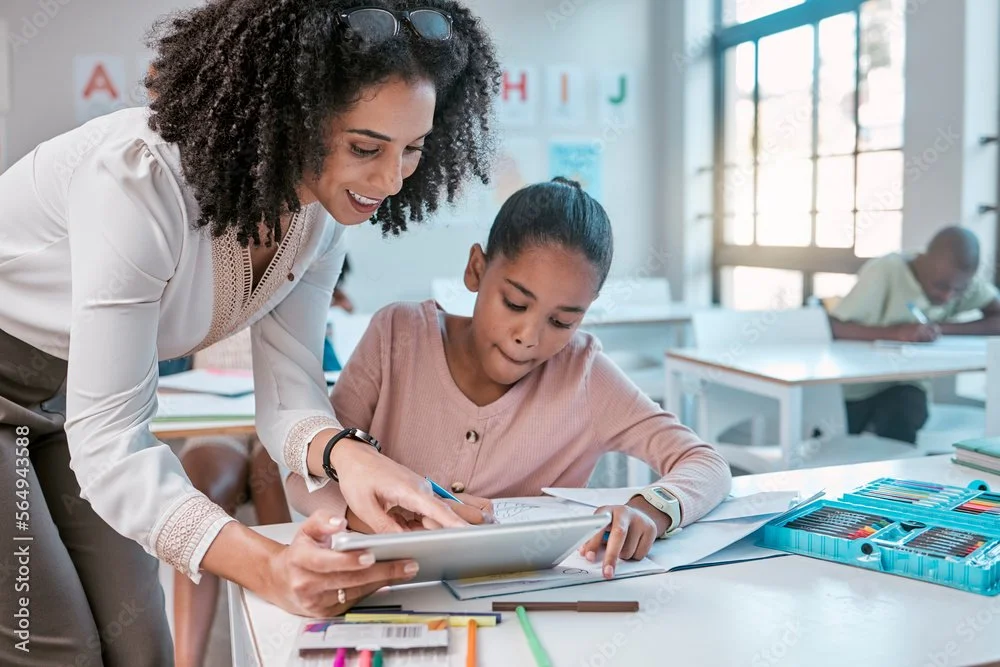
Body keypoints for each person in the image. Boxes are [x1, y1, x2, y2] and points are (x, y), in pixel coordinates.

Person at [0, 1, 501, 664]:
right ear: (294, 117)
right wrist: (267, 565)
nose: (388, 180)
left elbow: (291, 395)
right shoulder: (138, 180)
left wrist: (357, 459)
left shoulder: (318, 218)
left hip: (65, 400)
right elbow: (113, 448)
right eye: (364, 147)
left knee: (141, 643)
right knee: (55, 644)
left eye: (412, 149)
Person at [287, 179, 732, 578]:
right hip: (386, 584)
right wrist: (372, 518)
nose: (528, 338)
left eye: (561, 322)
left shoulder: (584, 374)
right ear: (477, 269)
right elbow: (304, 471)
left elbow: (705, 463)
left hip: (521, 600)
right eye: (516, 304)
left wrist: (651, 510)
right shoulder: (396, 335)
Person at [829, 226, 1000, 443]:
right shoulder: (886, 270)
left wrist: (939, 327)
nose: (948, 296)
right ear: (923, 261)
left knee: (902, 415)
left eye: (959, 290)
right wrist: (896, 333)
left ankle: (897, 475)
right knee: (842, 443)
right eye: (940, 286)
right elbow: (834, 327)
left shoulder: (956, 277)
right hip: (855, 389)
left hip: (905, 387)